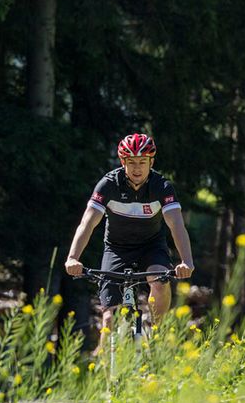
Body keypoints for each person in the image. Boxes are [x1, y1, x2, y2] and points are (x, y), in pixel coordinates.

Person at [64, 133, 194, 354]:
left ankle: (156, 336)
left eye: (142, 162)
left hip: (151, 247)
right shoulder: (108, 185)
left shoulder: (161, 187)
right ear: (122, 162)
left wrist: (186, 261)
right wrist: (73, 257)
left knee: (160, 282)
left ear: (151, 163)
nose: (137, 168)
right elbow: (87, 223)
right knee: (109, 319)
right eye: (131, 162)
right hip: (116, 248)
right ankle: (107, 378)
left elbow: (176, 225)